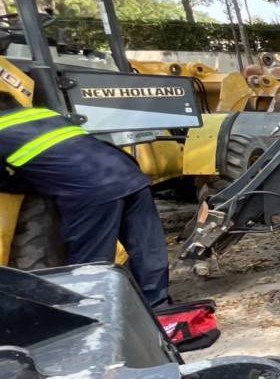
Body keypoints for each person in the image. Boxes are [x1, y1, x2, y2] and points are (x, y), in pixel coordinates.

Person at [0, 93, 171, 307]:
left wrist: (35, 185)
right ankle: (160, 309)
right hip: (130, 177)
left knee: (92, 265)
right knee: (148, 252)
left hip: (92, 192)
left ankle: (95, 315)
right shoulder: (46, 113)